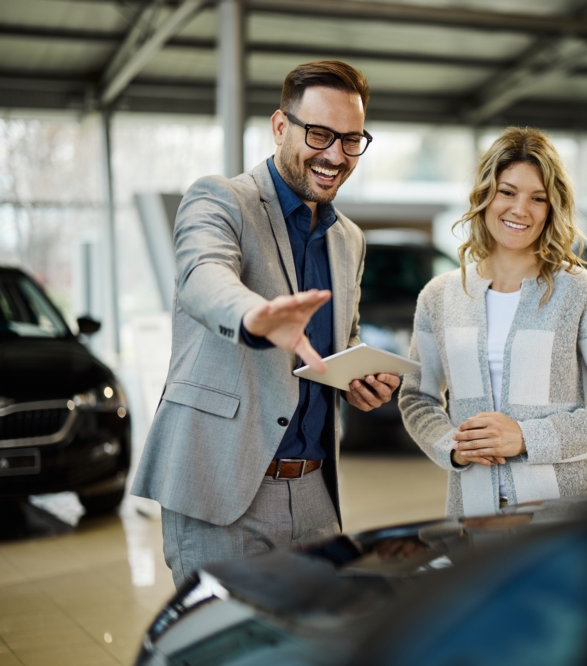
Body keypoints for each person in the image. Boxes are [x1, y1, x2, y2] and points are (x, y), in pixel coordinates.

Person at [131, 61, 399, 587]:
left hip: (317, 492)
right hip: (222, 489)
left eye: (351, 140)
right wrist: (255, 316)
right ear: (280, 127)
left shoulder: (349, 239)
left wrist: (358, 380)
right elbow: (203, 277)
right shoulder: (220, 199)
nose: (335, 155)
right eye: (319, 134)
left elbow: (338, 342)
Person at [398, 127, 587, 517]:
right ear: (484, 195)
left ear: (552, 208)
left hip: (565, 515)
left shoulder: (584, 294)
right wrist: (452, 447)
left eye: (538, 198)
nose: (520, 209)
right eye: (507, 191)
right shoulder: (439, 296)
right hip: (473, 514)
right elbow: (417, 398)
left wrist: (527, 437)